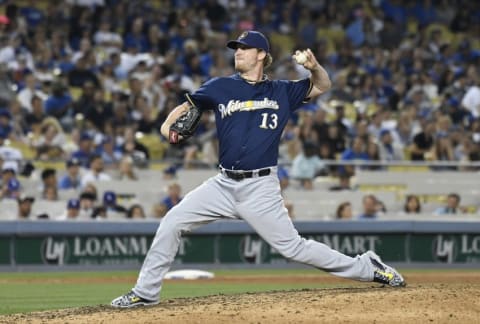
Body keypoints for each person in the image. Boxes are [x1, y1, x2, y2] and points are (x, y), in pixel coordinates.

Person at [111, 30, 405, 308]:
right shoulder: (219, 86)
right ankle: (145, 293)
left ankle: (367, 267)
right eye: (236, 48)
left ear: (261, 54)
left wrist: (314, 67)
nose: (237, 52)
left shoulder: (282, 91)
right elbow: (189, 105)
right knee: (172, 222)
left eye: (243, 48)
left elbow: (324, 85)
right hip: (222, 184)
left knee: (293, 248)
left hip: (260, 187)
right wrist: (166, 127)